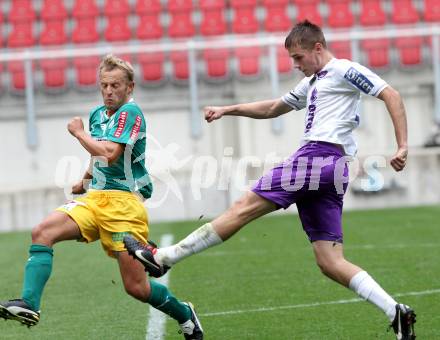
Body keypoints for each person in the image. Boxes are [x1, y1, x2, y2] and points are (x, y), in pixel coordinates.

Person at [124, 21, 416, 339]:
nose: (295, 64)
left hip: (319, 156)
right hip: (335, 168)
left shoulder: (344, 70)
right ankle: (396, 312)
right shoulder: (314, 82)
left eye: (298, 57)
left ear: (318, 48)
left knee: (244, 206)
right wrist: (227, 109)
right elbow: (275, 107)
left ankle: (164, 257)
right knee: (330, 261)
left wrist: (401, 145)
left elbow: (391, 94)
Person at [0, 55, 203, 340]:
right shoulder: (97, 114)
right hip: (95, 199)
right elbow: (100, 157)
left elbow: (110, 153)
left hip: (125, 205)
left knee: (136, 288)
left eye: (115, 85)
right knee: (42, 231)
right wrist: (84, 181)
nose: (108, 91)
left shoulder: (131, 113)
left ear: (129, 87)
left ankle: (185, 314)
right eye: (104, 85)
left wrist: (78, 133)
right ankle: (29, 304)